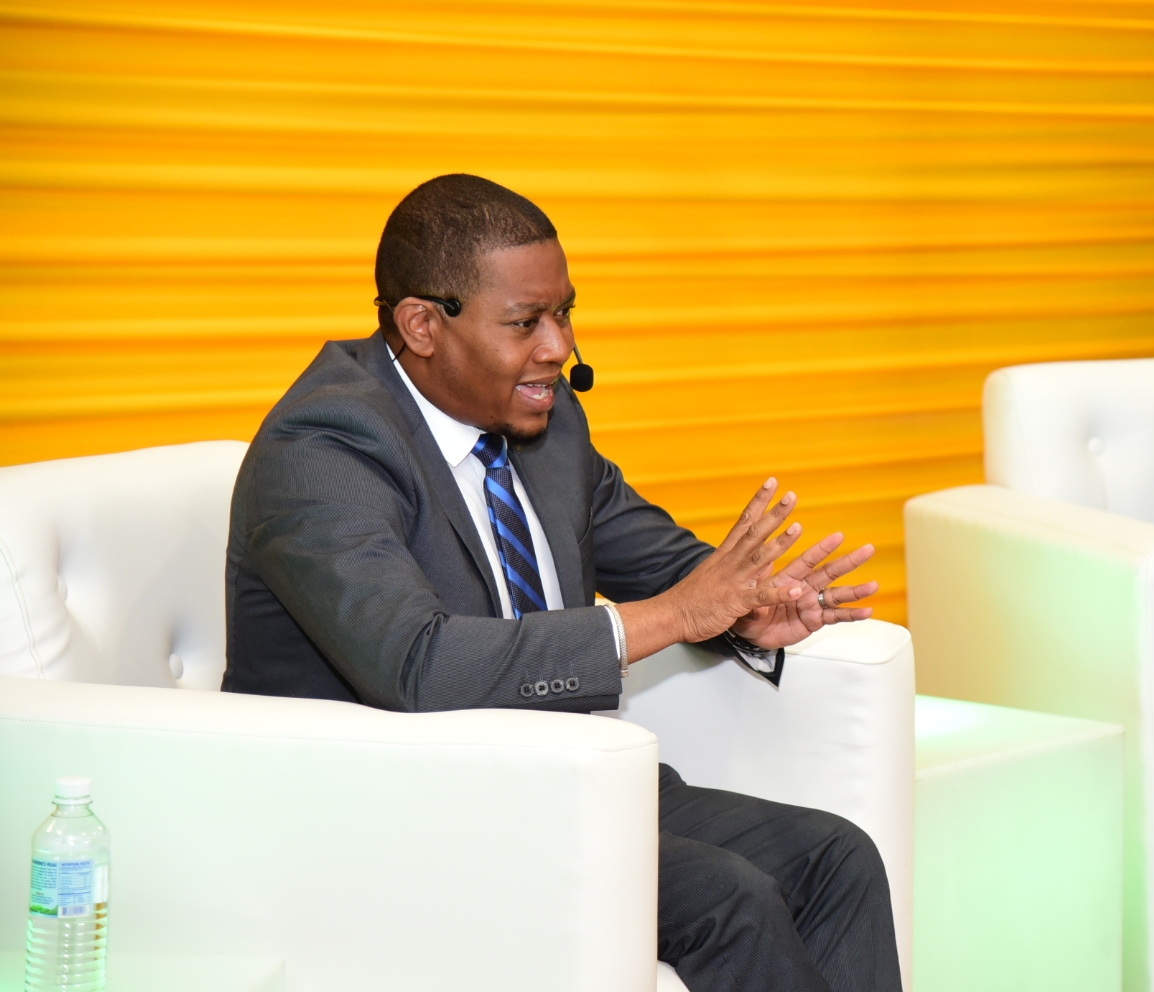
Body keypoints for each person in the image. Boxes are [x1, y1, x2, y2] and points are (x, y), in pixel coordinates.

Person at [223, 173, 902, 992]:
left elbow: (665, 566)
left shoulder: (544, 422)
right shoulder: (324, 447)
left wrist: (748, 606)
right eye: (524, 323)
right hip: (399, 816)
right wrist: (681, 612)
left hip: (564, 787)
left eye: (565, 312)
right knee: (732, 898)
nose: (560, 347)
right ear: (421, 326)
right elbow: (418, 665)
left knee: (838, 858)